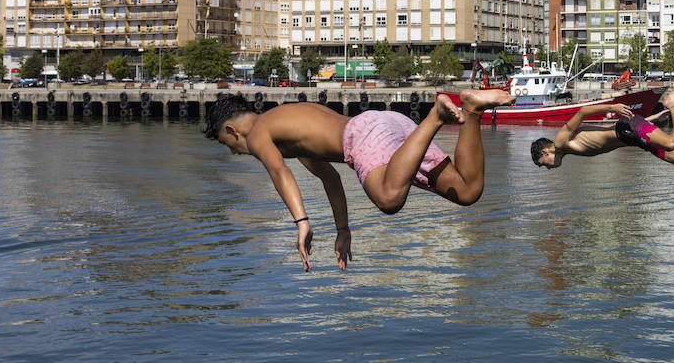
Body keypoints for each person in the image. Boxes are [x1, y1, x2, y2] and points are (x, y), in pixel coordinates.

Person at [205, 89, 513, 271]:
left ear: (232, 130)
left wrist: (302, 223)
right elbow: (331, 179)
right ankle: (472, 109)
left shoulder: (258, 132)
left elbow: (278, 173)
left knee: (389, 198)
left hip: (364, 133)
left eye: (225, 144)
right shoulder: (287, 128)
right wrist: (343, 230)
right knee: (467, 190)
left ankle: (434, 116)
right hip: (389, 122)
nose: (233, 152)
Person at [530, 82, 674, 170]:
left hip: (629, 129)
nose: (547, 168)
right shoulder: (569, 148)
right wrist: (653, 118)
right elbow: (606, 131)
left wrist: (613, 105)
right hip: (632, 136)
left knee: (672, 141)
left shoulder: (560, 141)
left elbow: (583, 111)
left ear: (545, 151)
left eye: (542, 163)